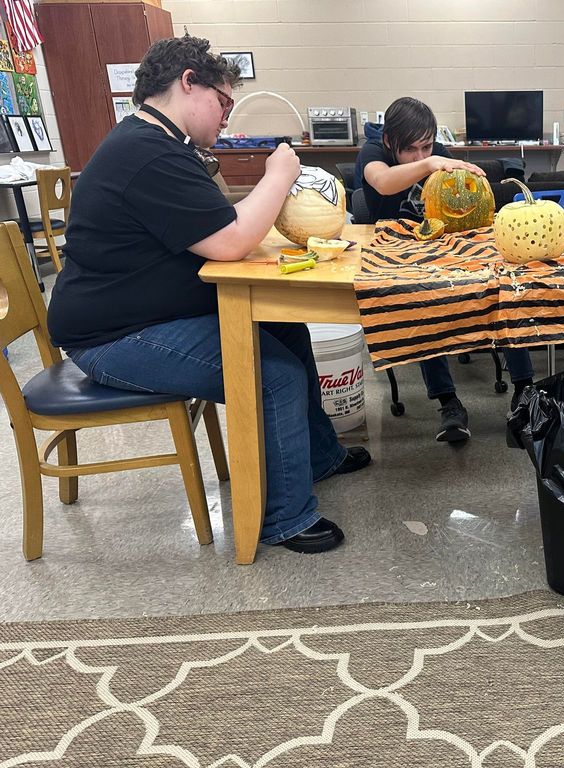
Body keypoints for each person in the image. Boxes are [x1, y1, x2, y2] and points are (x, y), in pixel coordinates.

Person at [47, 36, 370, 555]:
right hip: (113, 337)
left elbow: (217, 224)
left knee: (286, 326)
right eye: (222, 102)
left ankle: (316, 457)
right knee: (274, 376)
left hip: (146, 315)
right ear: (187, 82)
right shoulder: (145, 153)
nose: (226, 117)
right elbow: (231, 240)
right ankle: (286, 519)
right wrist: (279, 175)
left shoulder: (160, 145)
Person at [355, 97, 535, 443]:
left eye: (427, 146)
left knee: (504, 287)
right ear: (391, 142)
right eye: (412, 150)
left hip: (442, 247)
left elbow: (460, 204)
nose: (421, 156)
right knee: (425, 305)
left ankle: (525, 389)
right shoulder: (373, 152)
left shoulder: (434, 151)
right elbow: (382, 182)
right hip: (396, 254)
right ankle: (448, 402)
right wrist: (432, 163)